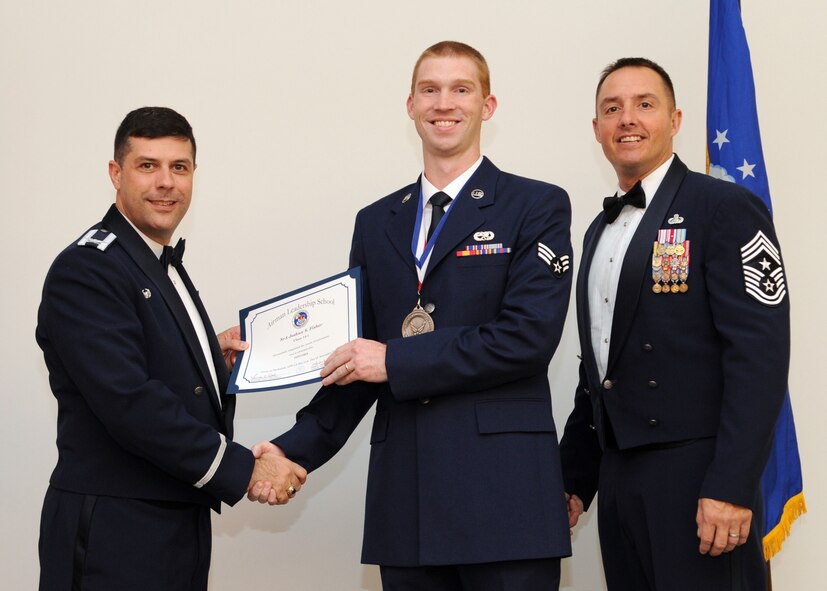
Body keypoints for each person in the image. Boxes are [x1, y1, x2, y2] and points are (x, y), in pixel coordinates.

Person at [249, 41, 575, 590]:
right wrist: (289, 450)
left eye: (460, 89)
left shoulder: (536, 206)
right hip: (408, 504)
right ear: (410, 106)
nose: (443, 103)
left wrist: (396, 360)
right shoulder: (376, 222)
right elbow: (357, 362)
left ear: (487, 106)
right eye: (430, 89)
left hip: (505, 503)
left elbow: (527, 338)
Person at [36, 106, 307, 591]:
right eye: (148, 166)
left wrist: (203, 354)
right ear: (116, 174)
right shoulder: (87, 269)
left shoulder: (157, 261)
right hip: (114, 530)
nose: (166, 182)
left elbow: (147, 359)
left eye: (179, 167)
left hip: (172, 519)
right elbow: (129, 400)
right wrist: (245, 468)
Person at [559, 58, 790, 590]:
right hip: (619, 479)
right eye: (611, 109)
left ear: (675, 118)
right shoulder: (597, 231)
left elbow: (759, 358)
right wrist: (575, 478)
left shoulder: (726, 208)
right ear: (596, 129)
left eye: (645, 104)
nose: (627, 119)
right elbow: (597, 367)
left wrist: (731, 486)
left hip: (700, 480)